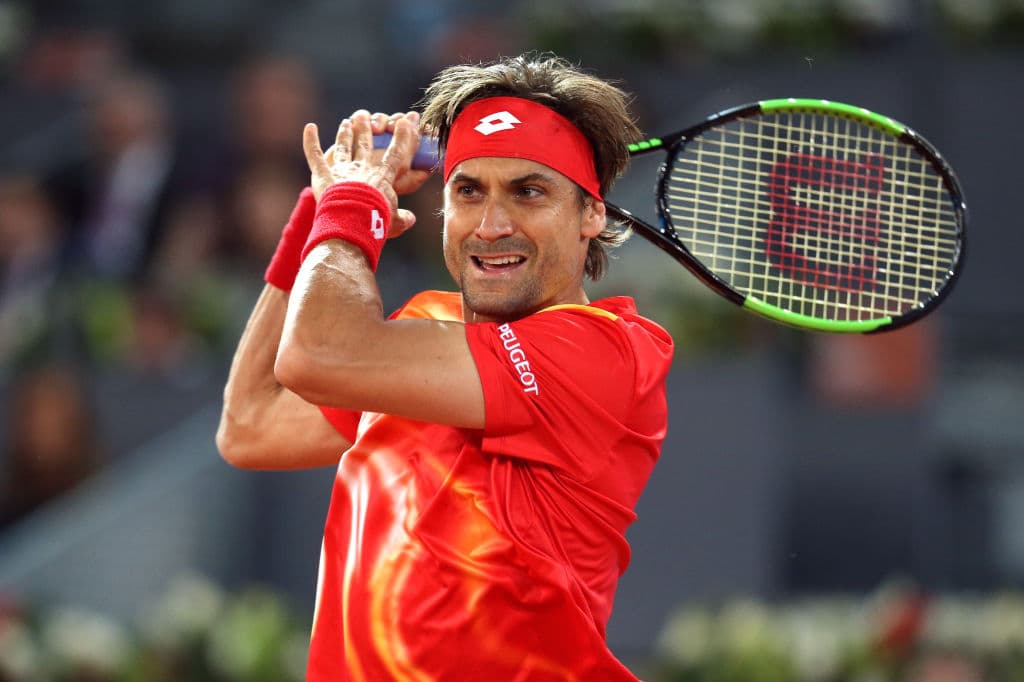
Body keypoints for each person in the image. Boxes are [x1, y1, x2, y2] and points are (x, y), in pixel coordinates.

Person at [216, 54, 674, 681]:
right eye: (468, 191)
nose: (491, 225)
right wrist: (322, 203)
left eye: (528, 192)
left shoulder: (603, 352)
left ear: (592, 213)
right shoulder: (420, 331)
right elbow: (250, 426)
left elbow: (318, 353)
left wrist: (353, 204)